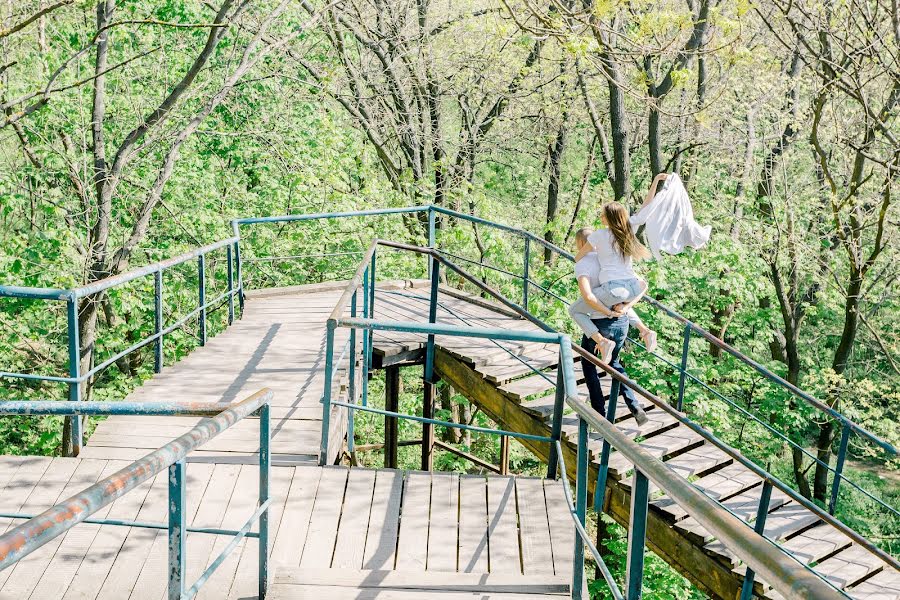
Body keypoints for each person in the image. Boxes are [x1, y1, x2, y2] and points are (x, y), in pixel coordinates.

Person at [568, 227, 651, 426]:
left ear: (581, 244)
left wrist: (606, 312)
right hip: (621, 322)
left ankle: (599, 414)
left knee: (588, 366)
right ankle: (635, 407)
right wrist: (624, 307)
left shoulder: (583, 264)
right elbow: (637, 284)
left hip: (600, 322)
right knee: (613, 364)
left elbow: (588, 297)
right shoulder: (609, 258)